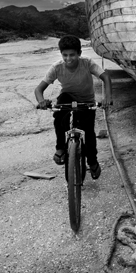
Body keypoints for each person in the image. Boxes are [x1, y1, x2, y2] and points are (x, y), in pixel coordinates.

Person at [34, 35, 112, 179]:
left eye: (72, 55)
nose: (68, 59)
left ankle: (93, 162)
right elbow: (39, 90)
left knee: (88, 132)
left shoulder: (87, 63)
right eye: (65, 55)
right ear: (61, 54)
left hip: (86, 100)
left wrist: (107, 98)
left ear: (79, 53)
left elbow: (106, 77)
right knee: (58, 117)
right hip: (67, 98)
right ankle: (61, 148)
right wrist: (41, 101)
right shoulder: (57, 67)